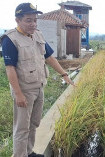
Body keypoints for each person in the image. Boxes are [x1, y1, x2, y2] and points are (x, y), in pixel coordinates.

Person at [0, 3, 74, 157]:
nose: (33, 24)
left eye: (35, 20)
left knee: (34, 123)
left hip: (39, 86)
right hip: (24, 90)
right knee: (22, 127)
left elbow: (49, 57)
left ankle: (28, 152)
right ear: (18, 20)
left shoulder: (38, 35)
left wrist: (64, 74)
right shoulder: (10, 39)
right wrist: (18, 94)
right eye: (28, 20)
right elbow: (10, 69)